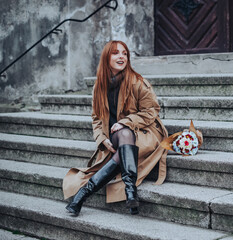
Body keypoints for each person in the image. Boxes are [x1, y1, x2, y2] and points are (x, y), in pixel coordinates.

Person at [62, 40, 168, 216]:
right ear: (106, 57)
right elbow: (96, 117)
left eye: (125, 53)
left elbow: (152, 110)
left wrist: (127, 121)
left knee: (124, 133)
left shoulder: (137, 82)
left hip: (143, 132)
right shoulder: (99, 86)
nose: (121, 56)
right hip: (114, 136)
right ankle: (130, 192)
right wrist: (101, 138)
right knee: (122, 136)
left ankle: (84, 193)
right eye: (116, 53)